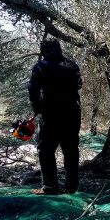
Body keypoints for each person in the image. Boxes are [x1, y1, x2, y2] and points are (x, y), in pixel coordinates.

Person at [28, 38, 82, 195]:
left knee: (45, 150)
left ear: (44, 50)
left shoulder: (40, 67)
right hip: (72, 113)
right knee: (71, 150)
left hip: (50, 114)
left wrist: (38, 107)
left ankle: (50, 187)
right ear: (59, 49)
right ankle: (72, 187)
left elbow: (32, 90)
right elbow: (79, 84)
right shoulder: (72, 65)